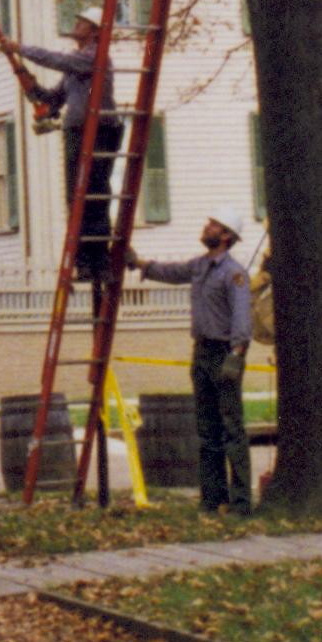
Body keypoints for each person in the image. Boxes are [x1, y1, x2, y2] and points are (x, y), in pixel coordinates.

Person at [129, 206, 255, 512]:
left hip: (225, 354)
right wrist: (139, 264)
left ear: (226, 236)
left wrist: (237, 356)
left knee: (232, 429)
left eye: (213, 224)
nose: (206, 227)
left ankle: (240, 502)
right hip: (201, 353)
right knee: (207, 429)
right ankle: (213, 497)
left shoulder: (234, 274)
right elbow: (171, 272)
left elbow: (241, 318)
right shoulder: (199, 266)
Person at [20, 15, 108, 138]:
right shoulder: (75, 64)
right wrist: (33, 87)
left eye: (83, 23)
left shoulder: (94, 56)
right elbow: (54, 99)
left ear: (94, 32)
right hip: (77, 129)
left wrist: (19, 49)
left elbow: (57, 59)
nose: (76, 25)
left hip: (99, 129)